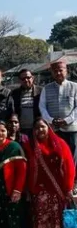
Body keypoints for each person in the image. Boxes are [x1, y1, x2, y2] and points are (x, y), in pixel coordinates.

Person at [25, 118, 75, 228]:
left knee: (57, 226)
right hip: (38, 194)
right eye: (37, 127)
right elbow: (26, 168)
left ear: (49, 128)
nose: (40, 130)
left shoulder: (60, 144)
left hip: (57, 193)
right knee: (39, 225)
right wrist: (29, 189)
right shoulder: (30, 146)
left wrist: (68, 188)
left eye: (42, 126)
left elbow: (69, 166)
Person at [39, 60, 77, 190]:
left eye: (61, 70)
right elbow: (42, 107)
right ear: (52, 72)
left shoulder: (74, 87)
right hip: (53, 129)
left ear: (67, 71)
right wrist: (51, 120)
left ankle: (72, 183)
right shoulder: (46, 88)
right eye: (55, 71)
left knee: (72, 157)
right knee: (54, 156)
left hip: (71, 129)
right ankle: (57, 183)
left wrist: (67, 120)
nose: (58, 73)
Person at [11, 69, 42, 138]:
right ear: (19, 80)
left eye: (28, 77)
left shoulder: (41, 91)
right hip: (21, 130)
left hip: (37, 129)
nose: (26, 80)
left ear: (32, 78)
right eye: (23, 79)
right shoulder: (14, 93)